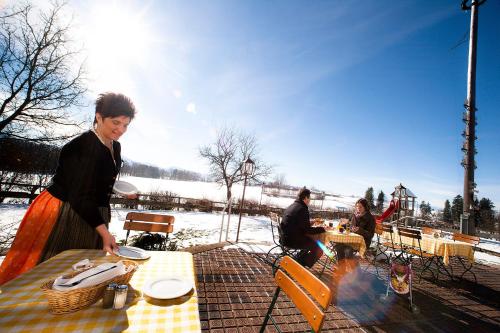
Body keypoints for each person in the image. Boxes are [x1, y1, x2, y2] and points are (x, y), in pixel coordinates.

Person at [0, 93, 136, 285]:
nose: (121, 129)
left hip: (94, 212)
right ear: (99, 117)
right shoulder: (79, 146)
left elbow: (96, 179)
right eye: (116, 122)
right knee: (51, 271)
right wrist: (105, 233)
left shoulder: (116, 146)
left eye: (126, 125)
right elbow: (79, 195)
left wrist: (116, 190)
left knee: (83, 273)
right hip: (64, 210)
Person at [280, 187, 325, 268]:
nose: (310, 200)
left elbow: (300, 224)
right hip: (292, 241)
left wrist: (312, 222)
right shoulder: (302, 209)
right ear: (305, 198)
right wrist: (323, 229)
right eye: (309, 198)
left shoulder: (293, 205)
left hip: (284, 238)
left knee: (310, 243)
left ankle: (297, 260)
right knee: (319, 249)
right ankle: (299, 265)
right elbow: (308, 231)